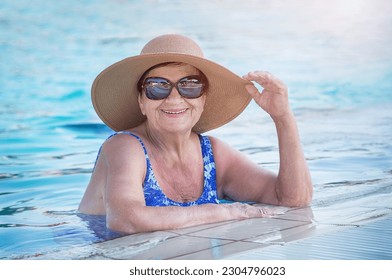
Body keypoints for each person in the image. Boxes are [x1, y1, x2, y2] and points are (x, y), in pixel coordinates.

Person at [78, 34, 312, 234]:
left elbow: (292, 199)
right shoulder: (125, 146)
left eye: (190, 85)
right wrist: (220, 211)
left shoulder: (213, 153)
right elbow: (124, 220)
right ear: (141, 101)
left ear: (204, 98)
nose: (174, 98)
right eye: (157, 86)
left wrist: (283, 119)